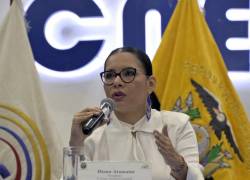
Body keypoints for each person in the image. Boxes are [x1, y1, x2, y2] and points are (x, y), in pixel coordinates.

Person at [69, 47, 204, 180]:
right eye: (109, 75)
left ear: (150, 84)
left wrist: (178, 165)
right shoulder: (92, 136)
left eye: (128, 73)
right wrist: (75, 145)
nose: (116, 82)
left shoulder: (176, 125)